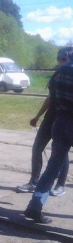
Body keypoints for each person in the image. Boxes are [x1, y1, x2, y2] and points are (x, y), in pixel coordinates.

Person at [24, 49, 73, 224]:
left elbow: (53, 98)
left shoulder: (59, 73)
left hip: (60, 121)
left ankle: (35, 205)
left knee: (52, 167)